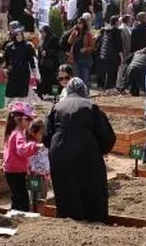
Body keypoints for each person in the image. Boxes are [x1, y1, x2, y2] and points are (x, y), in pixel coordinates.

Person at [44, 78, 116, 221]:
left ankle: (68, 217)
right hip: (86, 149)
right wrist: (100, 150)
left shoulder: (57, 107)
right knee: (91, 183)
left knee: (65, 183)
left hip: (60, 149)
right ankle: (93, 217)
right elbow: (106, 135)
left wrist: (52, 147)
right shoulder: (91, 106)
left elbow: (47, 134)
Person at [3, 102, 43, 212]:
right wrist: (35, 146)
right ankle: (18, 216)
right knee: (22, 200)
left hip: (13, 170)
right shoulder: (18, 134)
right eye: (28, 119)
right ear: (18, 119)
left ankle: (15, 214)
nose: (30, 122)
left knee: (17, 197)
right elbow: (22, 150)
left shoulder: (14, 132)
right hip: (15, 171)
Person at [2, 22, 37, 104]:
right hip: (12, 71)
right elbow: (5, 59)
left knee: (22, 91)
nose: (19, 37)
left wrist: (33, 69)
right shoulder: (9, 46)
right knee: (12, 91)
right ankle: (10, 106)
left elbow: (30, 59)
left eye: (20, 35)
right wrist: (5, 68)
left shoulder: (27, 46)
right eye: (17, 35)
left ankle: (22, 106)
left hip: (23, 71)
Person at [66, 15, 95, 85]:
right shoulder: (76, 33)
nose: (78, 24)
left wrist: (85, 49)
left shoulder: (88, 34)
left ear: (84, 24)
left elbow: (93, 47)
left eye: (80, 23)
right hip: (75, 58)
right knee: (76, 78)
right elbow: (69, 41)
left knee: (84, 79)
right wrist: (73, 32)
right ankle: (77, 91)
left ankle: (85, 91)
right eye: (77, 23)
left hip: (85, 59)